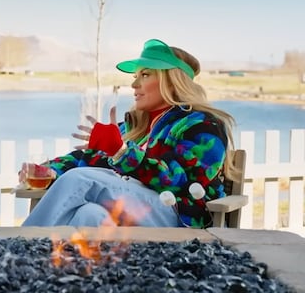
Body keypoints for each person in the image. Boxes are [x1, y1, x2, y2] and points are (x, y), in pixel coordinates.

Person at [21, 39, 238, 229]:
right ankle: (76, 273)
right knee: (88, 215)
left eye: (145, 75)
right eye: (135, 76)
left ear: (172, 81)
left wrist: (123, 152)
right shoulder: (134, 126)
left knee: (81, 180)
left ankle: (20, 248)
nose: (134, 84)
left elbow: (180, 180)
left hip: (178, 214)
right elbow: (90, 159)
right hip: (134, 211)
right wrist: (50, 170)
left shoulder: (203, 125)